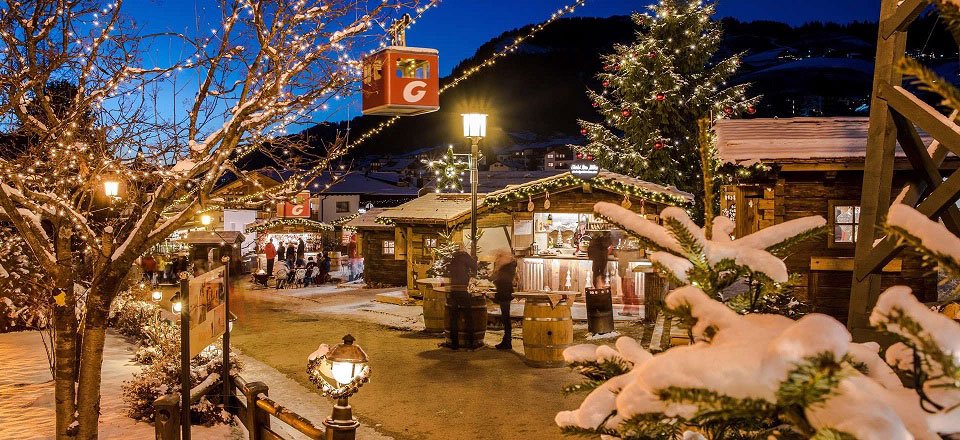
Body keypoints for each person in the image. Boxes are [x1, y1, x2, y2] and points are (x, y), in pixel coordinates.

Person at [443, 244, 477, 350]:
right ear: (463, 249)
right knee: (468, 316)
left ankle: (454, 343)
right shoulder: (465, 256)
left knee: (454, 317)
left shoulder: (453, 258)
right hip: (462, 289)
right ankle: (470, 342)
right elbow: (475, 266)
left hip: (453, 290)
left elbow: (447, 270)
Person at [491, 249, 518, 350]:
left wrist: (496, 276)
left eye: (500, 257)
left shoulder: (508, 267)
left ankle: (507, 342)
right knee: (505, 318)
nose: (498, 259)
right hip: (504, 293)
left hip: (505, 293)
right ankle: (506, 341)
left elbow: (503, 280)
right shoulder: (507, 267)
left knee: (506, 318)